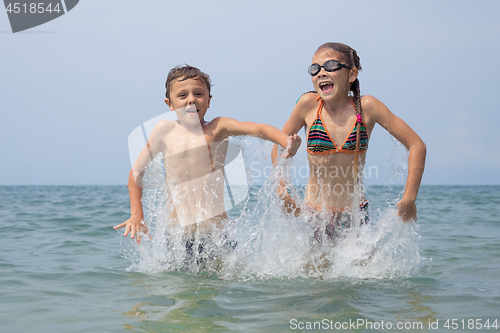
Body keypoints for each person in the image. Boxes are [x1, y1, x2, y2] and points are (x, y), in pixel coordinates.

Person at [114, 65, 301, 246]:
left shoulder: (219, 128)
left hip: (216, 233)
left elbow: (259, 129)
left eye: (198, 94)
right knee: (175, 279)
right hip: (177, 235)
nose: (191, 99)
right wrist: (137, 214)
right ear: (169, 104)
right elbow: (136, 173)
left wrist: (286, 142)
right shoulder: (164, 131)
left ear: (209, 101)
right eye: (182, 95)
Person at [272, 42, 426, 243]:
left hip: (355, 217)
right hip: (314, 216)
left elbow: (416, 145)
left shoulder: (368, 107)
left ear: (351, 75)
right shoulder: (307, 105)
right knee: (313, 274)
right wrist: (282, 189)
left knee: (360, 274)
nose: (321, 73)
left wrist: (409, 199)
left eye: (330, 66)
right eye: (315, 69)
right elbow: (277, 147)